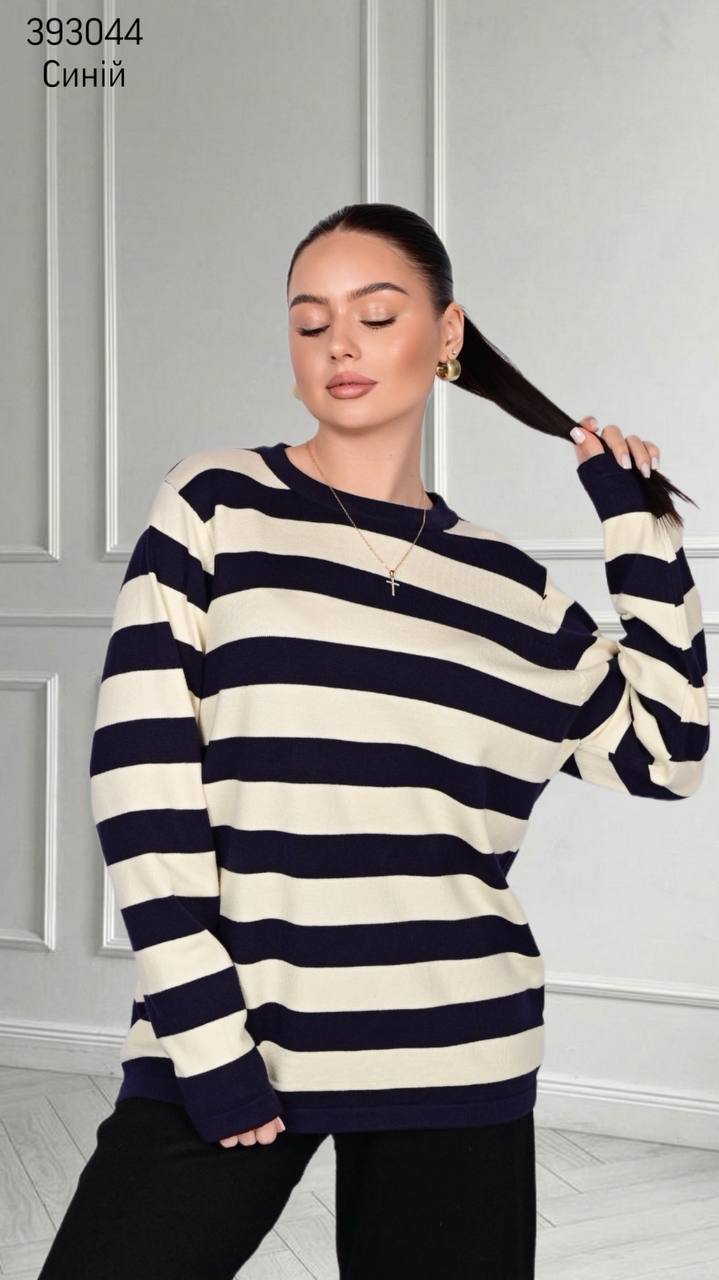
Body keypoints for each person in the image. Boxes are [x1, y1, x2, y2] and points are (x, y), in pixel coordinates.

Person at [39, 202, 709, 1280]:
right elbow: (140, 778)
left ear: (445, 334)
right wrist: (206, 1038)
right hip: (235, 1035)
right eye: (310, 322)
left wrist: (641, 531)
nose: (339, 345)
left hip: (457, 1051)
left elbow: (667, 751)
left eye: (376, 315)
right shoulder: (217, 505)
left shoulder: (507, 589)